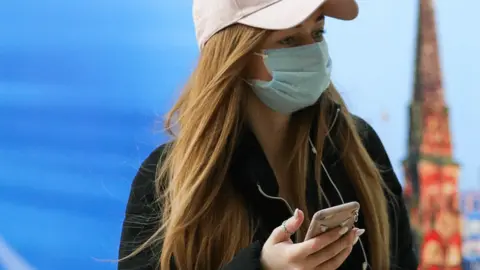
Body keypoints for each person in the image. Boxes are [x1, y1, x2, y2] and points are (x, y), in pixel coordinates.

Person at [118, 0, 418, 269]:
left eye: (318, 33)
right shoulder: (170, 178)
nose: (311, 51)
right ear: (234, 54)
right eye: (288, 38)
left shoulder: (358, 145)